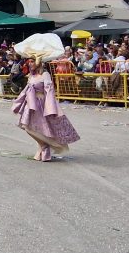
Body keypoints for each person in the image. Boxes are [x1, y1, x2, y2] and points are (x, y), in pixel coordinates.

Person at [11, 34, 80, 162]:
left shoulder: (45, 74)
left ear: (38, 62)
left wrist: (52, 108)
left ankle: (44, 147)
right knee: (28, 128)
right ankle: (43, 146)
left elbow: (50, 91)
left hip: (42, 104)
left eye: (32, 61)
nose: (29, 64)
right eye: (29, 61)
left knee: (41, 128)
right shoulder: (31, 76)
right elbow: (26, 90)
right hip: (31, 105)